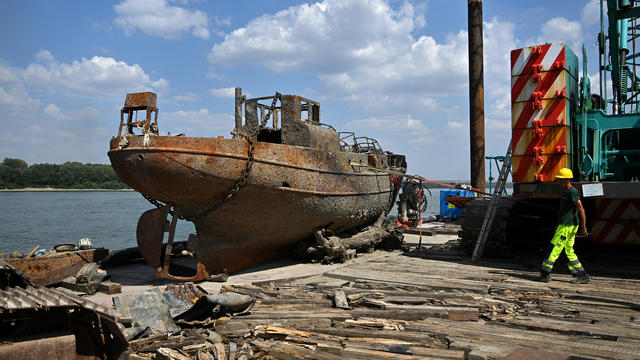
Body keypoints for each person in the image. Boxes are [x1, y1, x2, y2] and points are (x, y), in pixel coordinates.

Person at [539, 168, 590, 284]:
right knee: (568, 251)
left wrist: (583, 227)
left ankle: (545, 273)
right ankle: (582, 274)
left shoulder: (573, 192)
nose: (559, 182)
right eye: (559, 180)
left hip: (567, 226)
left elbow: (581, 209)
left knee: (554, 249)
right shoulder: (566, 192)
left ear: (567, 179)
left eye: (561, 180)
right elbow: (564, 211)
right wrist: (558, 224)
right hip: (564, 225)